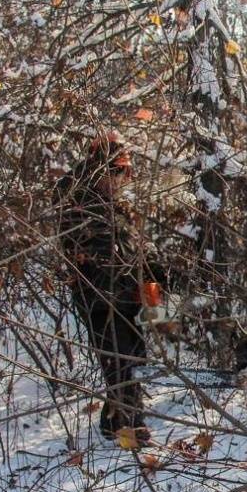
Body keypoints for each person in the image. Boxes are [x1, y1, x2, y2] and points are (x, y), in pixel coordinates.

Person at [59, 133, 160, 443]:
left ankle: (110, 422)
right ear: (96, 169)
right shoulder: (80, 204)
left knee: (134, 360)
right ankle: (133, 428)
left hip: (128, 297)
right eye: (114, 171)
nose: (120, 178)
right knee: (120, 364)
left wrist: (153, 276)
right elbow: (96, 254)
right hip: (101, 298)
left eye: (123, 172)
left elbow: (135, 248)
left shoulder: (118, 206)